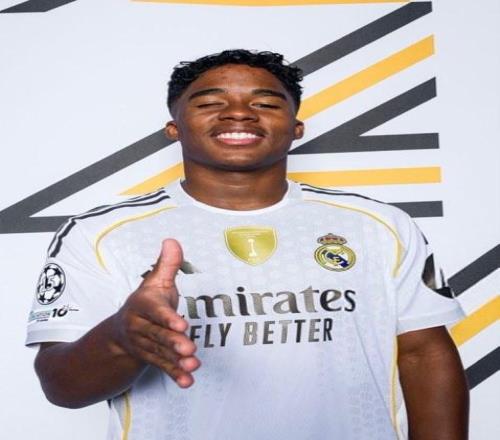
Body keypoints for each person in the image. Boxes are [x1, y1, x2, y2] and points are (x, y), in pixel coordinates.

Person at [27, 49, 469, 440]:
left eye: (265, 103)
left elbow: (423, 353)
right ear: (174, 128)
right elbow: (61, 385)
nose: (238, 113)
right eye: (210, 103)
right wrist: (122, 337)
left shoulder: (380, 225)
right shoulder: (101, 234)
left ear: (296, 127)